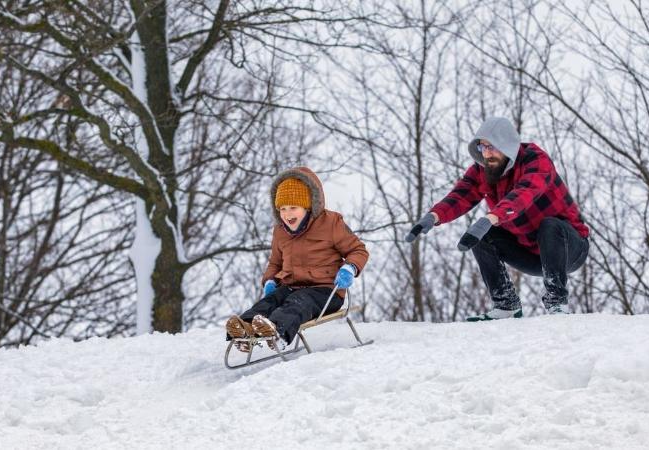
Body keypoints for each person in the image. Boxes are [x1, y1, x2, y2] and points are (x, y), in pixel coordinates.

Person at [405, 117, 589, 320]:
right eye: (482, 147)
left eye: (491, 147)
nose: (486, 154)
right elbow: (460, 195)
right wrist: (433, 216)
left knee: (549, 225)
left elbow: (524, 194)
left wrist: (491, 218)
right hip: (530, 253)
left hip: (568, 249)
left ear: (506, 145)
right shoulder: (483, 171)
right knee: (482, 235)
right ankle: (506, 305)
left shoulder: (535, 160)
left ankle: (557, 304)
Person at [226, 167, 369, 350]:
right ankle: (244, 330)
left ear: (308, 205)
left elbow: (358, 250)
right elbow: (275, 262)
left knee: (297, 303)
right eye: (282, 209)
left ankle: (277, 332)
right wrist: (269, 280)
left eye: (293, 208)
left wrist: (349, 268)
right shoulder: (280, 231)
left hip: (326, 291)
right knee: (271, 301)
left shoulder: (331, 223)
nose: (287, 214)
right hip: (291, 286)